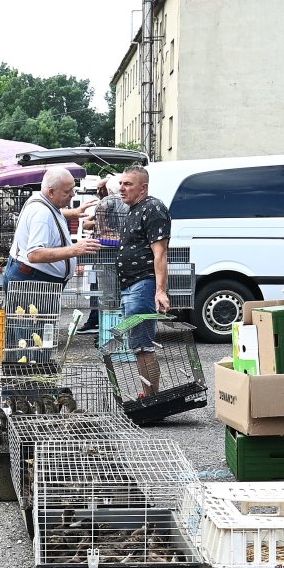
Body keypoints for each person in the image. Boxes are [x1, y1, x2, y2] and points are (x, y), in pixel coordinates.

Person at [109, 165, 172, 398]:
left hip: (143, 284)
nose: (121, 188)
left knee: (143, 344)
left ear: (143, 188)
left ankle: (152, 397)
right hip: (130, 286)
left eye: (128, 184)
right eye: (121, 183)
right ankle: (149, 393)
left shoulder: (153, 208)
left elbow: (161, 253)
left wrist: (160, 291)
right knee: (138, 345)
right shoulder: (134, 209)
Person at [5, 165, 101, 289]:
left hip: (35, 278)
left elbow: (52, 215)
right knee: (31, 310)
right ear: (51, 192)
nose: (72, 194)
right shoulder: (41, 213)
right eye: (67, 191)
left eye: (73, 189)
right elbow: (34, 254)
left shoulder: (41, 200)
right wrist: (74, 250)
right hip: (33, 281)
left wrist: (74, 213)